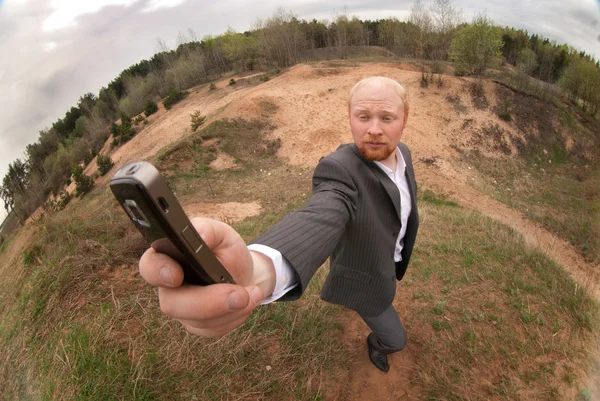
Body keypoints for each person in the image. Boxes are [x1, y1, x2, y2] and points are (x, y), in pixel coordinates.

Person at [139, 76, 419, 373]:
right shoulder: (340, 170)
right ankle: (379, 344)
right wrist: (256, 269)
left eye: (387, 118)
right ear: (350, 117)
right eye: (363, 117)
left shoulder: (404, 155)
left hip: (390, 265)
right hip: (366, 279)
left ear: (405, 119)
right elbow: (323, 213)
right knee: (396, 339)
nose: (374, 129)